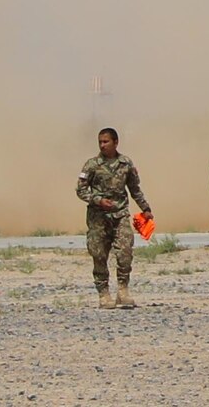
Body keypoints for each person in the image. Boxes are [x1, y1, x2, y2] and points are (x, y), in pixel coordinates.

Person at [75, 127, 152, 310]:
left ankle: (123, 291)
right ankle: (104, 294)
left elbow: (134, 189)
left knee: (125, 253)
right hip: (98, 218)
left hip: (120, 215)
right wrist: (98, 200)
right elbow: (80, 190)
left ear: (115, 142)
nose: (102, 145)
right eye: (100, 142)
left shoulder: (125, 164)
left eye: (106, 141)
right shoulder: (91, 165)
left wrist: (145, 208)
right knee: (99, 255)